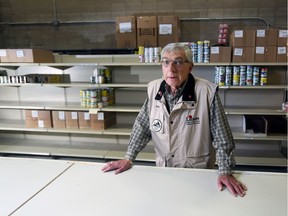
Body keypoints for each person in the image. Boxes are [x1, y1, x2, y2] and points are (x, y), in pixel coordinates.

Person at [102, 43, 247, 197]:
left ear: (190, 67)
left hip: (197, 174)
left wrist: (225, 171)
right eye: (166, 62)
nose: (171, 69)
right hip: (165, 171)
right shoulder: (154, 89)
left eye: (178, 62)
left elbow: (222, 138)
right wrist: (128, 158)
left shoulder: (206, 92)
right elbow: (142, 127)